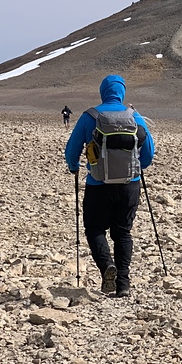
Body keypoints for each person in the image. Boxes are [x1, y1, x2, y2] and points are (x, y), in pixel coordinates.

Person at [65, 75, 155, 297]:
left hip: (98, 184)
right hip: (129, 185)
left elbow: (72, 149)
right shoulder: (135, 117)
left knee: (95, 229)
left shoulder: (90, 116)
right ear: (122, 92)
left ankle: (107, 267)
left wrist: (74, 167)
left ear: (102, 91)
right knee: (123, 232)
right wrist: (136, 169)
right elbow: (149, 153)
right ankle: (123, 283)